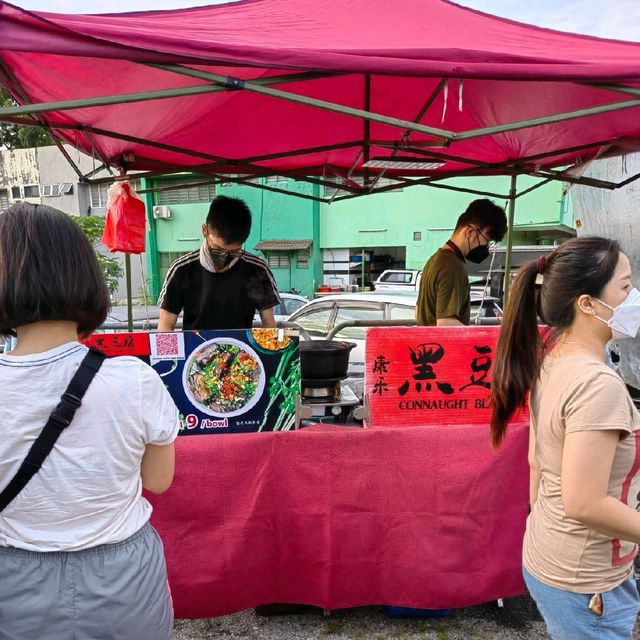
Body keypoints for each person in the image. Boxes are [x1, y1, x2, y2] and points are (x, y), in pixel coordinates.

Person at [0, 203, 179, 640]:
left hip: (14, 577)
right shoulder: (134, 379)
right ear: (84, 276)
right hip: (123, 580)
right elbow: (158, 481)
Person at [490, 236, 640, 640]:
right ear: (587, 304)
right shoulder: (596, 384)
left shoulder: (552, 357)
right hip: (585, 580)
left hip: (548, 554)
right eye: (625, 287)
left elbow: (538, 464)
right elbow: (584, 501)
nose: (634, 296)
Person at [158, 195, 281, 331]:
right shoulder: (182, 270)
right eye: (218, 250)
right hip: (195, 350)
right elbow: (165, 326)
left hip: (242, 350)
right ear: (205, 231)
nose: (225, 257)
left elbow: (269, 324)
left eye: (235, 251)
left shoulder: (257, 270)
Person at [416, 198, 507, 326]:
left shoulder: (434, 260)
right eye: (487, 239)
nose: (486, 245)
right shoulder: (452, 266)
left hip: (425, 344)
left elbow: (418, 312)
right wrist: (477, 337)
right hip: (442, 346)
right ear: (470, 232)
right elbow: (445, 323)